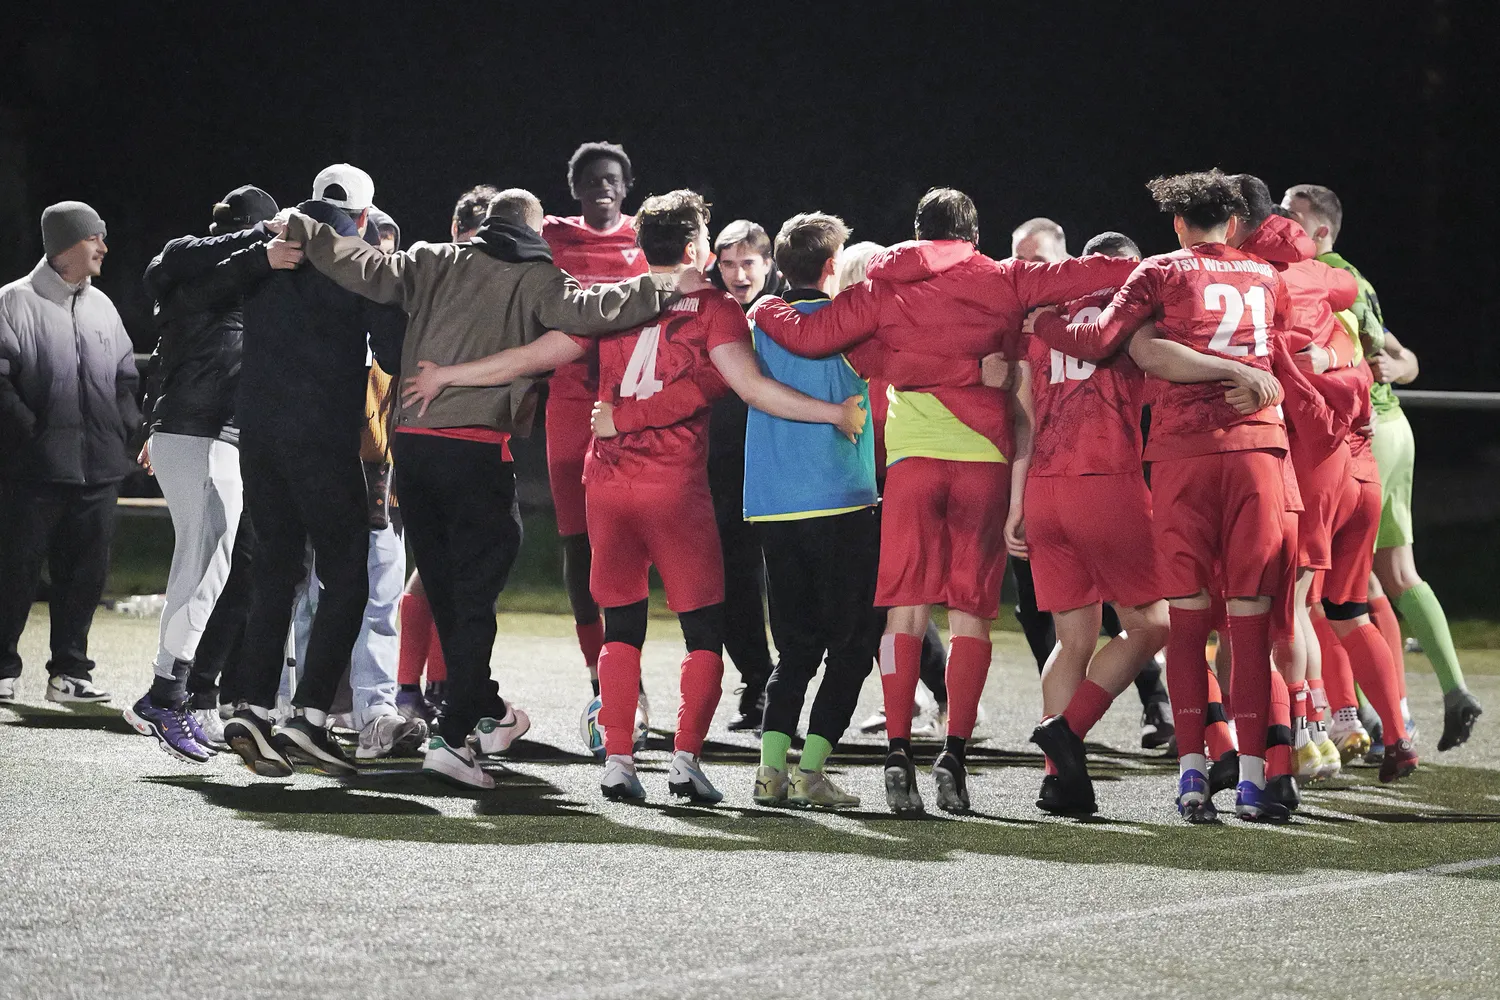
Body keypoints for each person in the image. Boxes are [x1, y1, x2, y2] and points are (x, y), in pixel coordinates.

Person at [402, 190, 865, 804]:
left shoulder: (614, 302)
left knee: (621, 627)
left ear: (641, 246)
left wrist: (450, 375)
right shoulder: (714, 308)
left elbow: (537, 354)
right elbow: (753, 389)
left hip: (608, 488)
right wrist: (833, 412)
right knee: (703, 631)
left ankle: (618, 759)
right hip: (675, 490)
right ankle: (684, 762)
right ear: (698, 248)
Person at [288, 186, 700, 790]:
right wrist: (667, 284)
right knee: (475, 595)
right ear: (533, 230)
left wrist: (303, 224)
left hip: (413, 444)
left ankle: (486, 710)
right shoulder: (537, 275)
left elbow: (362, 265)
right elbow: (597, 309)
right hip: (475, 449)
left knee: (446, 591)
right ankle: (454, 740)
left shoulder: (434, 257)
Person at [751, 188, 1138, 814]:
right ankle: (952, 755)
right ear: (974, 235)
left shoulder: (884, 283)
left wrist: (763, 305)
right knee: (969, 616)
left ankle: (898, 750)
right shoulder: (1006, 279)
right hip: (984, 464)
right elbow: (1106, 269)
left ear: (916, 230)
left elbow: (815, 334)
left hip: (910, 466)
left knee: (905, 612)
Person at [1028, 170, 1313, 823]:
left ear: (1179, 223)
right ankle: (1256, 780)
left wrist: (1046, 325)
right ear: (1235, 223)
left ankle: (1189, 781)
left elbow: (1104, 339)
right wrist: (1244, 372)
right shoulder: (1267, 278)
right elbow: (1276, 351)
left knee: (1181, 624)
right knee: (1252, 626)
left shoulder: (1159, 271)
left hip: (1182, 458)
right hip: (1258, 457)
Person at [747, 212, 1001, 809]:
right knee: (855, 642)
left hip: (774, 506)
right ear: (834, 267)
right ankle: (811, 769)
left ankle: (767, 771)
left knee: (795, 648)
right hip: (843, 501)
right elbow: (914, 368)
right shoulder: (861, 330)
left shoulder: (760, 323)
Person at [1284, 182, 1480, 753]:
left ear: (1320, 230)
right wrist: (1388, 366)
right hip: (1386, 431)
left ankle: (1352, 717)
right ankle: (1415, 705)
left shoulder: (1323, 278)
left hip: (1359, 437)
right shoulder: (1350, 277)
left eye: (1293, 219)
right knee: (1376, 579)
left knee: (1335, 587)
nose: (1281, 227)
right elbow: (1402, 358)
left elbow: (1371, 358)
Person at [121, 185, 278, 760]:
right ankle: (165, 695)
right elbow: (180, 262)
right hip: (201, 432)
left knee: (208, 565)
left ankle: (171, 693)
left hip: (201, 433)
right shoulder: (200, 266)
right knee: (205, 564)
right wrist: (261, 246)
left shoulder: (205, 273)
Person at [1008, 219, 1175, 750]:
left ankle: (1059, 777)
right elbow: (1154, 376)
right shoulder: (1130, 313)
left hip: (1043, 488)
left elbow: (1024, 419)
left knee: (1071, 639)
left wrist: (1016, 505)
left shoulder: (1042, 317)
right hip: (1104, 482)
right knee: (1153, 625)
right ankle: (1067, 731)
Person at [0, 201, 139, 706]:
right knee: (14, 570)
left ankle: (70, 674)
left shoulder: (103, 305)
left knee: (85, 575)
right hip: (32, 471)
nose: (103, 247)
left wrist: (126, 432)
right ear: (66, 245)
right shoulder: (12, 301)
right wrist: (30, 434)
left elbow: (126, 375)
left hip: (99, 470)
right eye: (94, 238)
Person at [540, 143, 653, 749]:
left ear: (627, 185)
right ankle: (599, 680)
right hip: (567, 403)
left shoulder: (648, 236)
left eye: (611, 179)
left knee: (629, 539)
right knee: (577, 546)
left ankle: (628, 677)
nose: (601, 188)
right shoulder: (553, 234)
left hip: (632, 405)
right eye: (590, 180)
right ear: (575, 187)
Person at [397, 185, 497, 724]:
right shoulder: (440, 276)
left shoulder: (490, 279)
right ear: (456, 233)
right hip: (449, 444)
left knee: (444, 576)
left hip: (452, 443)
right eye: (475, 230)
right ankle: (432, 690)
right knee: (446, 578)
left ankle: (434, 687)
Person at [707, 219, 785, 731]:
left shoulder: (786, 312)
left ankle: (936, 688)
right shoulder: (709, 310)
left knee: (788, 582)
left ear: (769, 264)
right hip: (724, 467)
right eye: (728, 264)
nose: (738, 274)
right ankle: (757, 683)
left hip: (782, 465)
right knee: (735, 581)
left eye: (748, 263)